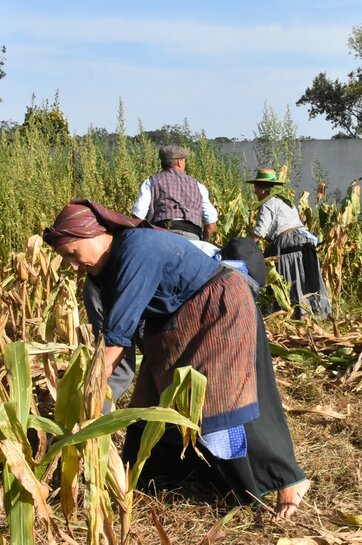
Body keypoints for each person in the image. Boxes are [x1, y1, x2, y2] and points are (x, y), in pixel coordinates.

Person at [43, 199, 310, 519]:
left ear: (95, 233)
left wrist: (87, 391)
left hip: (218, 309)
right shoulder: (98, 281)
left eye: (73, 253)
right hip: (174, 326)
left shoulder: (137, 248)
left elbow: (116, 338)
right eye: (66, 259)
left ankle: (286, 480)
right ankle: (149, 479)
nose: (73, 266)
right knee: (150, 401)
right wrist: (94, 410)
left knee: (224, 397)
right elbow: (116, 355)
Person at [247, 167, 332, 319]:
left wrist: (243, 247)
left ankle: (294, 312)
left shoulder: (268, 204)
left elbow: (259, 233)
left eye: (256, 188)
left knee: (290, 279)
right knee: (303, 277)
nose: (254, 192)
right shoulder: (286, 202)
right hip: (304, 241)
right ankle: (311, 312)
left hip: (288, 244)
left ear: (263, 189)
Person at [129, 145, 219, 242]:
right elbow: (211, 222)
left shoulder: (151, 182)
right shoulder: (198, 186)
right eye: (184, 160)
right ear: (179, 162)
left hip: (161, 236)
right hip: (192, 237)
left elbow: (138, 215)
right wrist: (202, 242)